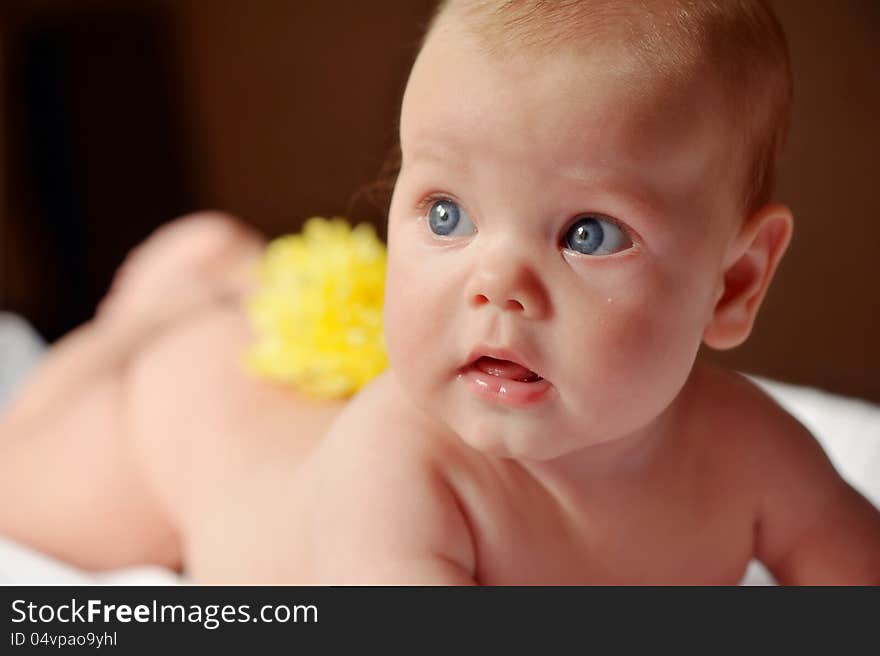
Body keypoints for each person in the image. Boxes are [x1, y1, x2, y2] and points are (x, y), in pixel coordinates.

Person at [1, 0, 879, 584]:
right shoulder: (400, 466)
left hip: (288, 403)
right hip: (190, 433)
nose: (494, 285)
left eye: (589, 234)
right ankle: (179, 300)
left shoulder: (752, 451)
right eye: (447, 213)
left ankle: (227, 279)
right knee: (26, 477)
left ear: (734, 282)